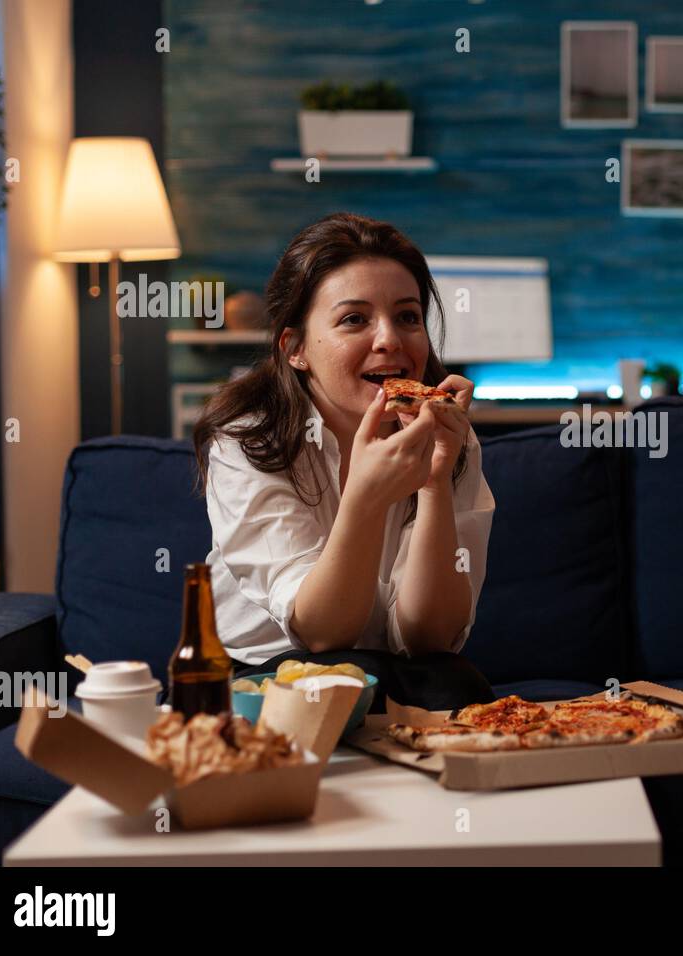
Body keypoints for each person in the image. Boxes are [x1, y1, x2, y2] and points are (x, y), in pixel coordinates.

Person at [192, 212, 498, 712]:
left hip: (400, 669)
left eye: (408, 316)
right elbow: (322, 632)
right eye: (354, 319)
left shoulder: (449, 436)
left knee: (453, 681)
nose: (390, 340)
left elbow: (430, 637)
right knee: (359, 679)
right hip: (266, 670)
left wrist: (435, 482)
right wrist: (365, 497)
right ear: (295, 349)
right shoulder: (245, 441)